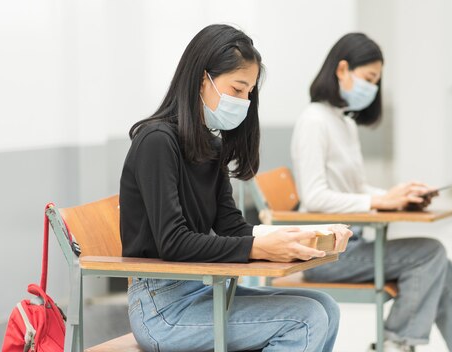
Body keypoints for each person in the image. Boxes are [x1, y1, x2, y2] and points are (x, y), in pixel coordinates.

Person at [119, 24, 352, 352]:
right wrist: (257, 248)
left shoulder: (209, 147)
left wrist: (305, 234)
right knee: (305, 318)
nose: (244, 102)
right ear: (203, 80)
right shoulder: (156, 142)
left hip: (204, 290)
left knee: (324, 306)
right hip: (162, 310)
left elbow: (233, 227)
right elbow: (173, 242)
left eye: (249, 93)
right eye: (238, 89)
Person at [290, 33, 452, 352]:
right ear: (342, 70)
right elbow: (314, 197)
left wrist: (398, 195)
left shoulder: (343, 123)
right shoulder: (313, 121)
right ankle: (396, 342)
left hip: (352, 244)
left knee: (441, 266)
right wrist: (380, 201)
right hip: (327, 254)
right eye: (369, 78)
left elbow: (356, 190)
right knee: (430, 253)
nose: (372, 89)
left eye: (376, 81)